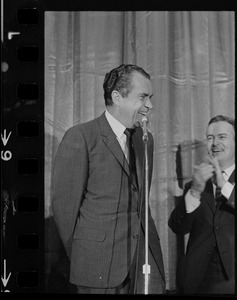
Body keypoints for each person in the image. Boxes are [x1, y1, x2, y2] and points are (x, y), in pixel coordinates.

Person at [52, 64, 165, 294]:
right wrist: (87, 254)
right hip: (98, 267)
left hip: (142, 261)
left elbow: (140, 202)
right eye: (143, 97)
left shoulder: (146, 140)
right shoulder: (81, 137)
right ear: (117, 97)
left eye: (150, 98)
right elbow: (65, 209)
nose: (150, 105)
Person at [168, 115, 235, 294]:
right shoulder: (195, 185)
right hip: (199, 282)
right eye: (210, 138)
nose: (214, 143)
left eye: (222, 137)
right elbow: (178, 227)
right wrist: (195, 191)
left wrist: (223, 185)